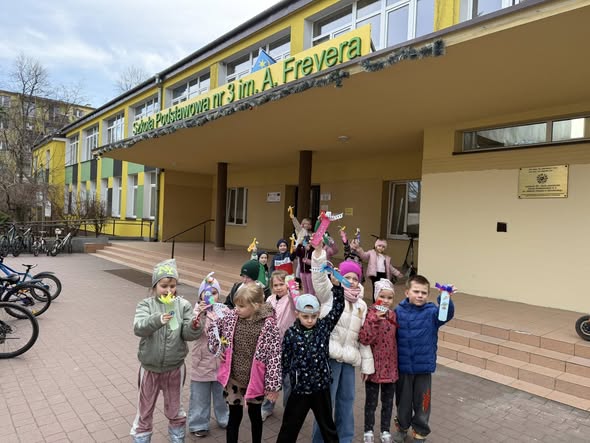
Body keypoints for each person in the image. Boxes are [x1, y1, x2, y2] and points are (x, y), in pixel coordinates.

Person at [131, 259, 205, 443]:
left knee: (175, 408)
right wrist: (157, 320)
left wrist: (195, 326)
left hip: (174, 368)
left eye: (172, 286)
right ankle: (142, 438)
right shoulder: (146, 305)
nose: (169, 290)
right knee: (145, 408)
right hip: (149, 368)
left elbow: (187, 334)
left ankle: (177, 438)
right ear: (155, 286)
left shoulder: (183, 305)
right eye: (164, 286)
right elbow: (139, 327)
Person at [311, 248, 374, 443]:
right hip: (329, 358)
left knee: (347, 402)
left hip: (349, 360)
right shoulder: (330, 294)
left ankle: (344, 438)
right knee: (326, 402)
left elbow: (362, 337)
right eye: (347, 277)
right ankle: (319, 439)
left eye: (355, 278)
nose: (351, 281)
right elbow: (318, 279)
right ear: (339, 277)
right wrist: (319, 253)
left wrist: (367, 365)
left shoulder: (362, 305)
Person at [207, 282, 282, 443]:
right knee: (234, 417)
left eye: (241, 306)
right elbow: (213, 329)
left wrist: (273, 386)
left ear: (255, 305)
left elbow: (274, 356)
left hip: (255, 381)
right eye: (236, 305)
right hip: (234, 378)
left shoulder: (268, 325)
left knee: (255, 416)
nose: (237, 309)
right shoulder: (231, 317)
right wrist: (218, 348)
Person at [276, 289, 345, 443]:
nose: (309, 320)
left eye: (314, 316)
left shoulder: (323, 327)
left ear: (318, 314)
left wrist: (337, 288)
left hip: (321, 388)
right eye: (305, 316)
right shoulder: (291, 334)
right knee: (289, 427)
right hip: (300, 389)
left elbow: (338, 308)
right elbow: (284, 361)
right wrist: (275, 385)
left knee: (327, 426)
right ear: (297, 314)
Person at [393, 275, 455, 443]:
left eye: (424, 292)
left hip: (423, 369)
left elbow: (446, 315)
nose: (420, 295)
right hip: (403, 368)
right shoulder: (398, 311)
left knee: (423, 402)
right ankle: (402, 427)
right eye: (416, 291)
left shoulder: (432, 312)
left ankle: (420, 431)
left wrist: (445, 298)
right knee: (403, 402)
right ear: (407, 292)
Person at [187, 273, 229, 438]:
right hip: (202, 361)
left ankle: (225, 418)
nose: (210, 296)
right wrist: (200, 315)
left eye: (214, 293)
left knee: (222, 395)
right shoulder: (196, 311)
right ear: (200, 296)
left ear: (219, 295)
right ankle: (199, 423)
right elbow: (193, 332)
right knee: (199, 395)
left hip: (221, 360)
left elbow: (230, 332)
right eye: (206, 293)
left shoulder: (224, 310)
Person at [359, 279, 399, 443]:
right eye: (382, 297)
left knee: (388, 403)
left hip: (390, 368)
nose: (386, 301)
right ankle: (368, 430)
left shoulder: (393, 315)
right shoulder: (369, 314)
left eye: (389, 298)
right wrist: (375, 319)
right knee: (371, 402)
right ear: (376, 296)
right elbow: (365, 339)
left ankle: (385, 430)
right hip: (374, 368)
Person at [261, 270, 298, 421]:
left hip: (288, 347)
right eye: (275, 285)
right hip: (272, 347)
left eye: (281, 284)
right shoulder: (269, 299)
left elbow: (297, 305)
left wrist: (293, 289)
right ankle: (267, 407)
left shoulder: (291, 299)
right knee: (272, 378)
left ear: (287, 285)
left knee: (288, 381)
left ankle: (289, 411)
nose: (278, 288)